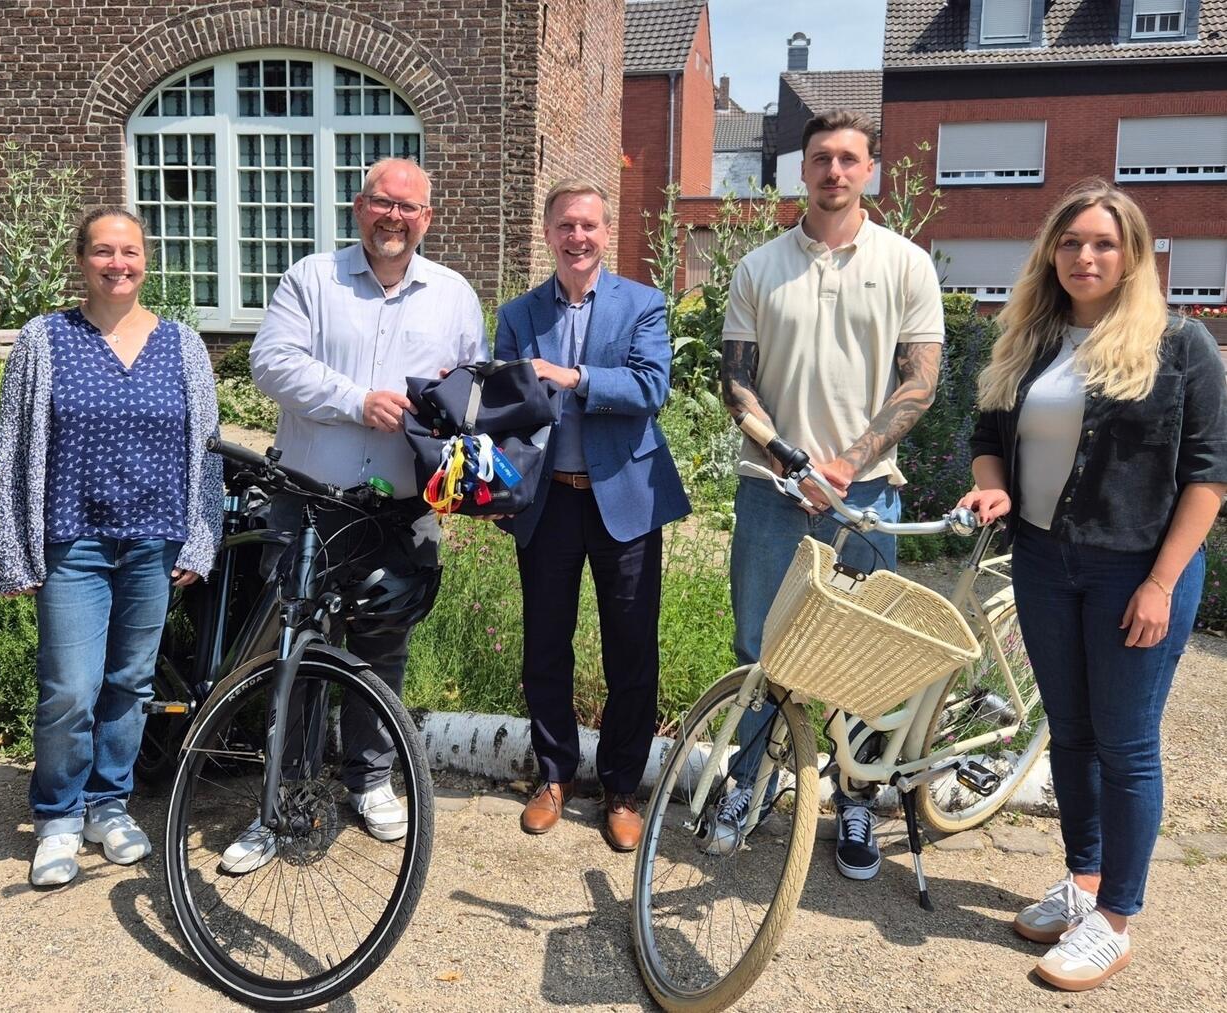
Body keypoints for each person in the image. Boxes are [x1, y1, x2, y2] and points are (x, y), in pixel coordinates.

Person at [958, 179, 1226, 991]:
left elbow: (1209, 478)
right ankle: (1083, 882)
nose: (1085, 256)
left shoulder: (1183, 346)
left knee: (1127, 744)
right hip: (1044, 561)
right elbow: (986, 435)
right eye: (1071, 242)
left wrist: (1161, 581)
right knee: (1068, 733)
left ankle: (1116, 918)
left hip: (1136, 571)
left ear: (1133, 254)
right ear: (1052, 252)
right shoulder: (1031, 341)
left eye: (1103, 243)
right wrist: (994, 483)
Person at [219, 157, 484, 870]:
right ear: (358, 206)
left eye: (408, 207)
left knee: (380, 646)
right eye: (380, 202)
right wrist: (357, 398)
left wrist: (463, 449)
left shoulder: (454, 295)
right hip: (310, 497)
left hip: (401, 508)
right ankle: (283, 798)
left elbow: (471, 391)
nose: (393, 217)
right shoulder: (312, 279)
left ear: (427, 218)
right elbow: (270, 363)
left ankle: (370, 780)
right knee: (296, 648)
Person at [717, 110, 944, 876]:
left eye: (849, 159)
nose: (834, 172)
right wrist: (789, 457)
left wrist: (844, 463)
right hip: (770, 493)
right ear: (801, 170)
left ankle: (852, 803)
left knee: (861, 659)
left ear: (869, 171)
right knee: (758, 650)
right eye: (821, 158)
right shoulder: (757, 269)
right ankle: (742, 787)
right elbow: (736, 380)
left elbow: (921, 381)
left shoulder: (908, 265)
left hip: (866, 498)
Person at [0, 206, 224, 887]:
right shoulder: (44, 340)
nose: (117, 263)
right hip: (73, 540)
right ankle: (58, 815)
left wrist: (199, 534)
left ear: (145, 260)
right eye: (103, 251)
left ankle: (107, 803)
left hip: (154, 540)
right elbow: (11, 450)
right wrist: (13, 545)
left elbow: (205, 451)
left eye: (129, 251)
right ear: (82, 259)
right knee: (69, 686)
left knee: (130, 683)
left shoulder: (181, 344)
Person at [494, 179, 690, 852]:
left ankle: (621, 788)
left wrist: (573, 377)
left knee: (631, 649)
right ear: (548, 233)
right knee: (545, 642)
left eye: (590, 226)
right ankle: (554, 776)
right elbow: (508, 407)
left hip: (625, 498)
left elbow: (651, 387)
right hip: (549, 502)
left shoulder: (642, 303)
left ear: (607, 233)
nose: (578, 237)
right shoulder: (518, 315)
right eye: (565, 226)